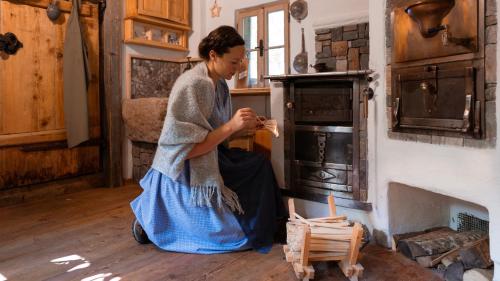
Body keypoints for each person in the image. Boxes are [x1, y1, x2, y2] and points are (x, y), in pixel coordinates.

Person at [130, 25, 287, 254]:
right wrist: (232, 125)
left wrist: (244, 128)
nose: (238, 67)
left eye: (241, 61)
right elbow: (186, 151)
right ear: (213, 55)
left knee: (258, 163)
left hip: (211, 152)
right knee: (239, 225)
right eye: (234, 62)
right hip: (184, 163)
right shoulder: (194, 84)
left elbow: (217, 134)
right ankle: (148, 222)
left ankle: (275, 223)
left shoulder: (220, 84)